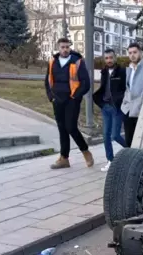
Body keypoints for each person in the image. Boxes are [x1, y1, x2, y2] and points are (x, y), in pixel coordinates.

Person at [45, 38, 94, 170]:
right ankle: (64, 158)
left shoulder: (77, 62)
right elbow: (48, 80)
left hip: (72, 100)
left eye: (67, 47)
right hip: (57, 100)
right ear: (58, 47)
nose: (65, 49)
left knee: (71, 127)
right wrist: (51, 97)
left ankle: (85, 151)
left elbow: (86, 83)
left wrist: (75, 96)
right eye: (62, 47)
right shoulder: (52, 62)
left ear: (70, 47)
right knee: (62, 128)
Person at [93, 48, 127, 164]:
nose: (109, 60)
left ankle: (132, 150)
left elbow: (125, 89)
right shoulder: (103, 72)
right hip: (106, 107)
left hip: (117, 108)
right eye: (106, 58)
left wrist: (120, 101)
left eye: (111, 58)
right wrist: (101, 103)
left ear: (115, 58)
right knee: (105, 136)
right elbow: (103, 88)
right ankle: (110, 160)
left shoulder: (122, 71)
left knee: (115, 135)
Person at [121, 42, 143, 147]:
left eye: (135, 52)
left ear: (140, 53)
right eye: (130, 53)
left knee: (141, 142)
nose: (132, 55)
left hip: (141, 110)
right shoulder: (129, 69)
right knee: (129, 141)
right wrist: (124, 105)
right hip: (128, 110)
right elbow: (127, 89)